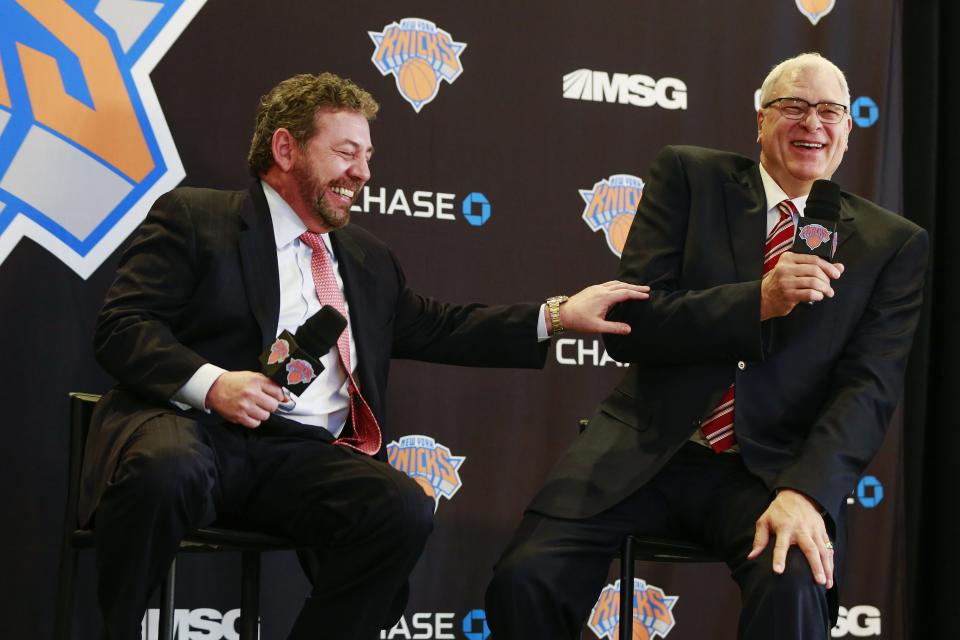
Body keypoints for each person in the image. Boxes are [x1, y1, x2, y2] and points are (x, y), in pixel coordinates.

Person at [78, 72, 649, 640]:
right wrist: (212, 383)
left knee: (399, 506)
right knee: (165, 468)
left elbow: (442, 327)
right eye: (346, 152)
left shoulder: (368, 259)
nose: (363, 172)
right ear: (285, 148)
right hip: (193, 431)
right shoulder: (196, 218)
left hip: (296, 457)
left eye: (368, 156)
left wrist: (556, 316)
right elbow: (123, 327)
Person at [485, 53, 928, 639]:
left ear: (848, 128)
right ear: (760, 120)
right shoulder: (691, 178)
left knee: (794, 585)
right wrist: (758, 301)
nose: (811, 124)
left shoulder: (890, 243)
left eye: (829, 111)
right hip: (645, 448)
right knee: (524, 578)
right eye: (792, 106)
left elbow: (868, 387)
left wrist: (806, 493)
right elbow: (634, 326)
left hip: (768, 474)